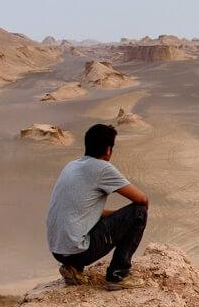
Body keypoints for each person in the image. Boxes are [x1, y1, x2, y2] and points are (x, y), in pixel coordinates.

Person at [46, 123, 149, 291]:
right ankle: (118, 275)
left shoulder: (71, 166)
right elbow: (142, 200)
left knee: (82, 222)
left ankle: (74, 269)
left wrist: (118, 218)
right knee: (139, 213)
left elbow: (83, 211)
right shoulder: (102, 168)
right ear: (108, 149)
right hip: (79, 251)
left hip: (58, 251)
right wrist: (126, 221)